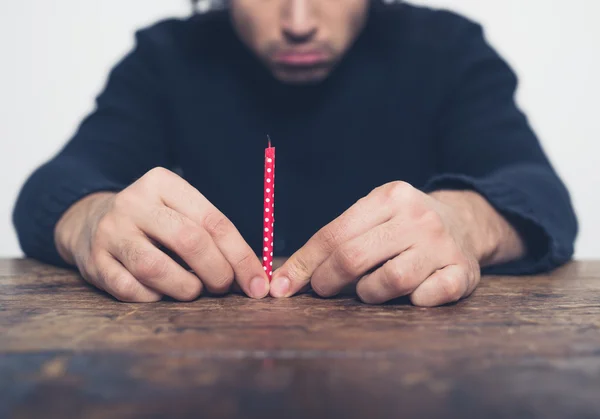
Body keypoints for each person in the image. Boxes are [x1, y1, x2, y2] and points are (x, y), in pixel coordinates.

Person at [13, 0, 577, 306]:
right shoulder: (168, 57)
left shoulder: (448, 51)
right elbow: (57, 183)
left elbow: (540, 192)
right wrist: (90, 221)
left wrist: (464, 219)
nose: (299, 22)